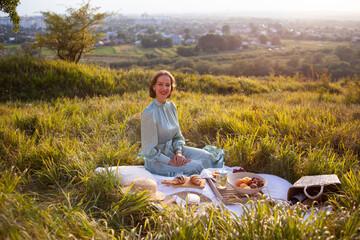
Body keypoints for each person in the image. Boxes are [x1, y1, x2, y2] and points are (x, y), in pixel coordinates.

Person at [139, 70, 224, 176]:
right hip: (158, 160)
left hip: (174, 150)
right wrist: (170, 161)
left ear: (171, 88)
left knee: (208, 157)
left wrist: (179, 153)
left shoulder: (171, 107)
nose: (164, 88)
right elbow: (148, 150)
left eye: (167, 85)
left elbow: (177, 136)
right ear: (153, 87)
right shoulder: (149, 112)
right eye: (160, 84)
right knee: (196, 166)